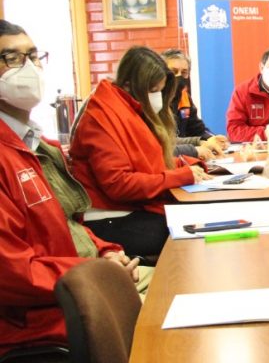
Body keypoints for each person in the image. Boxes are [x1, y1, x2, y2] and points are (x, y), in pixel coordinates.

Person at [0, 22, 148, 355]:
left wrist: (106, 251)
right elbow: (12, 274)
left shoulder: (39, 144)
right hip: (39, 311)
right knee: (169, 324)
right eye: (11, 58)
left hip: (79, 283)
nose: (28, 67)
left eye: (34, 56)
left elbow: (69, 225)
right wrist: (96, 271)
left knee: (184, 286)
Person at [69, 46, 211, 258]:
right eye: (153, 90)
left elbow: (146, 163)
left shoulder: (126, 108)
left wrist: (184, 165)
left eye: (161, 91)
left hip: (129, 210)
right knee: (194, 235)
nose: (158, 98)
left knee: (199, 222)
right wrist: (178, 175)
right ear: (130, 85)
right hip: (109, 218)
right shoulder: (101, 117)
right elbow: (119, 185)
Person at [161, 48, 228, 160]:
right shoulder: (156, 101)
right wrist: (199, 143)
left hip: (184, 157)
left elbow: (197, 128)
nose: (179, 77)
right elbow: (165, 141)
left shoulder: (184, 97)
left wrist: (212, 138)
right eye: (174, 72)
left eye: (184, 72)